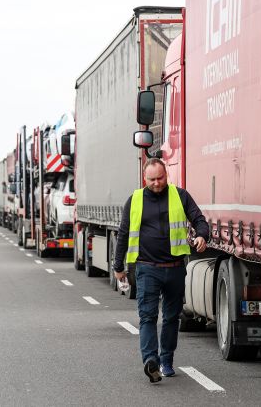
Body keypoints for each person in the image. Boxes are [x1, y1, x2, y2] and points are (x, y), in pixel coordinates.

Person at [113, 158, 209, 383]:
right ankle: (151, 361)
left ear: (167, 175)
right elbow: (123, 234)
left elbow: (199, 220)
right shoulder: (134, 200)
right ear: (144, 178)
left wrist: (202, 235)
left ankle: (166, 360)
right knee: (147, 316)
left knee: (171, 318)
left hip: (175, 269)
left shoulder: (180, 196)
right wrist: (118, 267)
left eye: (161, 178)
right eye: (152, 179)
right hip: (147, 268)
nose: (157, 183)